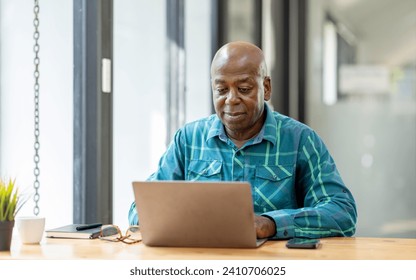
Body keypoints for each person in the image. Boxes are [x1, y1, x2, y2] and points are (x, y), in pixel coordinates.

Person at [128, 41, 357, 239]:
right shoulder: (188, 139)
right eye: (221, 89)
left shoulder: (300, 140)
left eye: (244, 88)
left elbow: (341, 212)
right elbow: (141, 210)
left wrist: (272, 224)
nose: (231, 99)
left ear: (266, 88)